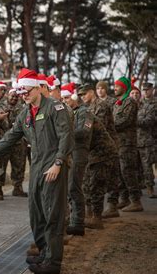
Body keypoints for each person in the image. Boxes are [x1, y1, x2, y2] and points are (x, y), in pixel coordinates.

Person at [0, 68, 73, 274]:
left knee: (52, 213)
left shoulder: (55, 107)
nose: (23, 94)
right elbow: (9, 138)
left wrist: (59, 163)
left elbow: (66, 136)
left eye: (26, 90)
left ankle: (53, 262)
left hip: (53, 167)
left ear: (37, 88)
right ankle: (45, 252)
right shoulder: (25, 114)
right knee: (36, 213)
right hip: (36, 167)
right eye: (20, 91)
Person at [78, 85, 119, 229]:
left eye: (84, 94)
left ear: (91, 92)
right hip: (94, 150)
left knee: (97, 183)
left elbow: (91, 131)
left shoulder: (101, 106)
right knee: (89, 182)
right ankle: (91, 214)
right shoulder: (86, 109)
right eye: (80, 95)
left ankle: (97, 217)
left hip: (103, 150)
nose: (82, 97)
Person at [109, 76, 144, 212]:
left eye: (117, 86)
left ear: (124, 87)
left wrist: (109, 126)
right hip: (118, 142)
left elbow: (125, 121)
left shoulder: (130, 102)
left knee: (128, 171)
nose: (115, 88)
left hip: (127, 143)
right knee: (120, 172)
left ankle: (136, 201)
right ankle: (124, 199)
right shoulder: (118, 102)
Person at [61, 87, 92, 236]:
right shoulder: (71, 113)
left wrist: (66, 133)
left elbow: (84, 132)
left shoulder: (84, 112)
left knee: (74, 187)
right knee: (70, 187)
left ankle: (78, 222)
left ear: (74, 98)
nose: (65, 101)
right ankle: (74, 220)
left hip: (79, 152)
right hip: (71, 151)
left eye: (67, 98)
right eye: (63, 99)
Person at [0, 88, 28, 198]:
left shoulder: (22, 107)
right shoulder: (0, 106)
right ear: (7, 96)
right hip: (5, 140)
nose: (14, 98)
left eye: (16, 96)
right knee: (1, 165)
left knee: (19, 165)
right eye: (12, 96)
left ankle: (17, 187)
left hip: (19, 142)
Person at [137, 82, 157, 197]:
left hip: (153, 137)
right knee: (146, 164)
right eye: (144, 90)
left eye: (147, 90)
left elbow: (151, 120)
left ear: (152, 89)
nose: (145, 92)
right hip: (141, 139)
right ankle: (148, 187)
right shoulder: (138, 103)